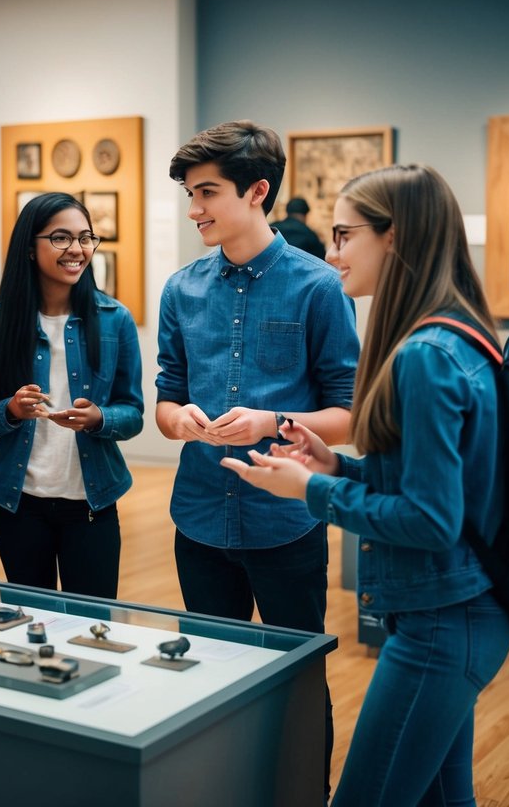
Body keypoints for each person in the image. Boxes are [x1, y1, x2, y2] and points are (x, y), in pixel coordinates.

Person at [224, 164, 509, 805]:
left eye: (343, 235)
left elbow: (430, 519)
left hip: (443, 620)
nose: (331, 255)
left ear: (396, 238)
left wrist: (307, 490)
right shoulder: (456, 333)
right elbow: (434, 487)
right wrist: (337, 467)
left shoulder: (422, 355)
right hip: (460, 609)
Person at [157, 120, 359, 798]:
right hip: (199, 518)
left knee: (297, 682)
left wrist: (274, 420)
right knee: (208, 675)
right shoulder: (179, 289)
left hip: (285, 522)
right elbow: (165, 399)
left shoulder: (317, 287)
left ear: (257, 191)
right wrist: (178, 420)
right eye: (189, 194)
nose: (194, 210)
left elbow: (349, 412)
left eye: (206, 192)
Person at [0, 192, 143, 599]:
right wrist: (11, 410)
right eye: (61, 238)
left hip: (91, 504)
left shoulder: (115, 320)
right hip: (18, 504)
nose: (77, 250)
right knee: (32, 624)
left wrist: (100, 419)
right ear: (31, 248)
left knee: (93, 627)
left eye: (85, 238)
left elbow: (132, 413)